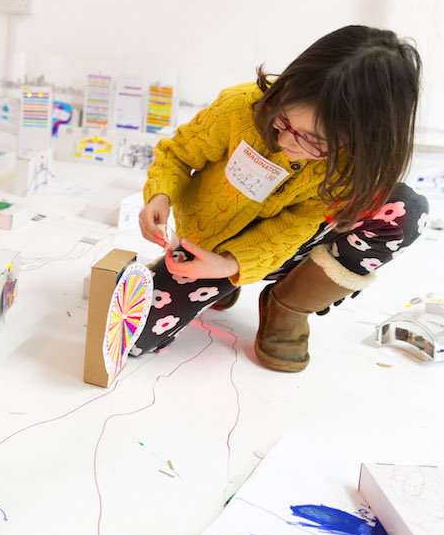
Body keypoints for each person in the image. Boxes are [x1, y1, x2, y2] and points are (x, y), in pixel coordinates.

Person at [132, 25, 427, 371]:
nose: (288, 142)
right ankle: (220, 286)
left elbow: (297, 225)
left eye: (314, 142)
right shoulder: (240, 108)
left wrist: (234, 265)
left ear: (363, 139)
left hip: (284, 250)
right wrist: (160, 195)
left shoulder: (352, 166)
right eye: (283, 120)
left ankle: (287, 305)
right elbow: (179, 155)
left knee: (405, 209)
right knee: (137, 338)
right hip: (208, 245)